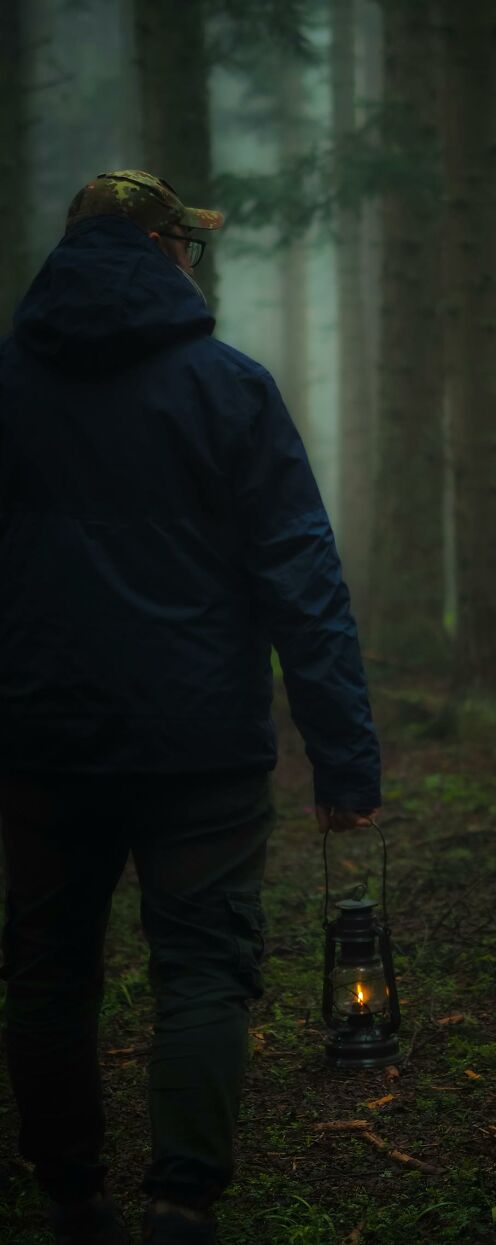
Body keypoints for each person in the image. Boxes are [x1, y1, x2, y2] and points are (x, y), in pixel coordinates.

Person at [0, 170, 381, 1245]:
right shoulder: (230, 388)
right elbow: (302, 580)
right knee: (205, 966)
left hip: (41, 739)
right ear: (167, 251)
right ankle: (180, 1205)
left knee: (47, 966)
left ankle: (72, 1197)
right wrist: (345, 763)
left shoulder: (8, 387)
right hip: (200, 746)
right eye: (189, 245)